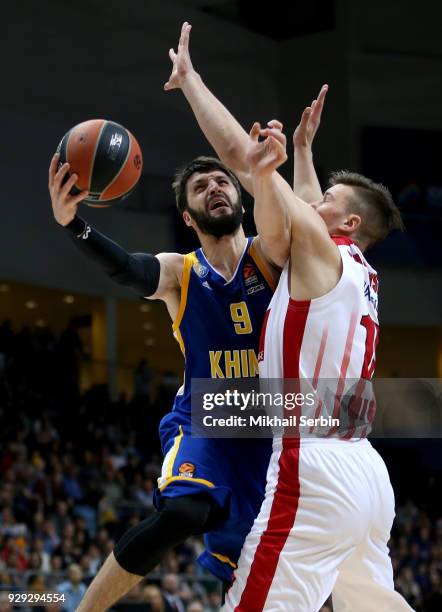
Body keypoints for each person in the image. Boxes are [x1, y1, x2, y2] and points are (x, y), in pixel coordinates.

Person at [48, 23, 297, 605]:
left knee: (263, 569)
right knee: (183, 511)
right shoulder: (182, 272)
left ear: (239, 199)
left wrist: (273, 165)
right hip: (207, 418)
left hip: (270, 426)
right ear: (188, 216)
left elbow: (276, 200)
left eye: (221, 180)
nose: (215, 186)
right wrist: (75, 226)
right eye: (200, 186)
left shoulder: (272, 254)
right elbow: (129, 271)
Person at [220, 94, 413, 611]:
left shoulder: (322, 253)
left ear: (348, 224)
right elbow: (305, 204)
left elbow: (245, 160)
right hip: (366, 472)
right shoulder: (359, 273)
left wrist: (192, 83)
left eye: (328, 198)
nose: (316, 201)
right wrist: (303, 152)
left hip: (316, 462)